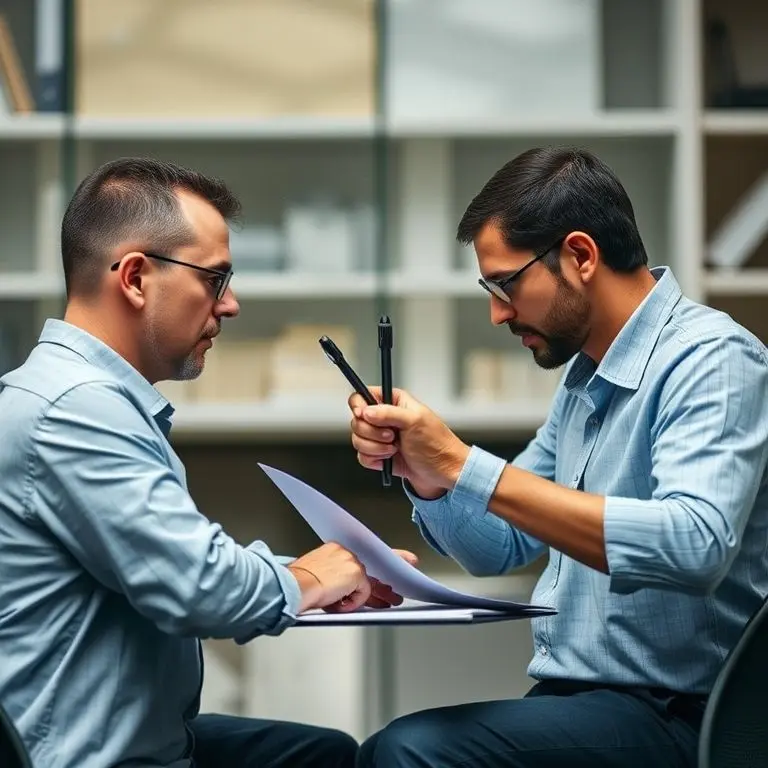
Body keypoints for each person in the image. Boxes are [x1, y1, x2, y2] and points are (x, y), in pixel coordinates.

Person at [349, 146, 768, 767]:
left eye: (506, 284)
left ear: (579, 255)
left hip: (684, 716)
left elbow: (694, 544)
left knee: (410, 752)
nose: (498, 313)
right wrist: (431, 477)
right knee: (379, 748)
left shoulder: (712, 360)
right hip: (585, 702)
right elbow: (499, 547)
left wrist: (465, 465)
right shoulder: (584, 379)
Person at [0, 157, 416, 768]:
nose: (231, 305)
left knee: (320, 754)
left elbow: (180, 560)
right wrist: (310, 579)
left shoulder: (77, 397)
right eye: (214, 279)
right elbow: (201, 589)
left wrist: (317, 574)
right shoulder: (75, 410)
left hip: (126, 733)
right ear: (136, 278)